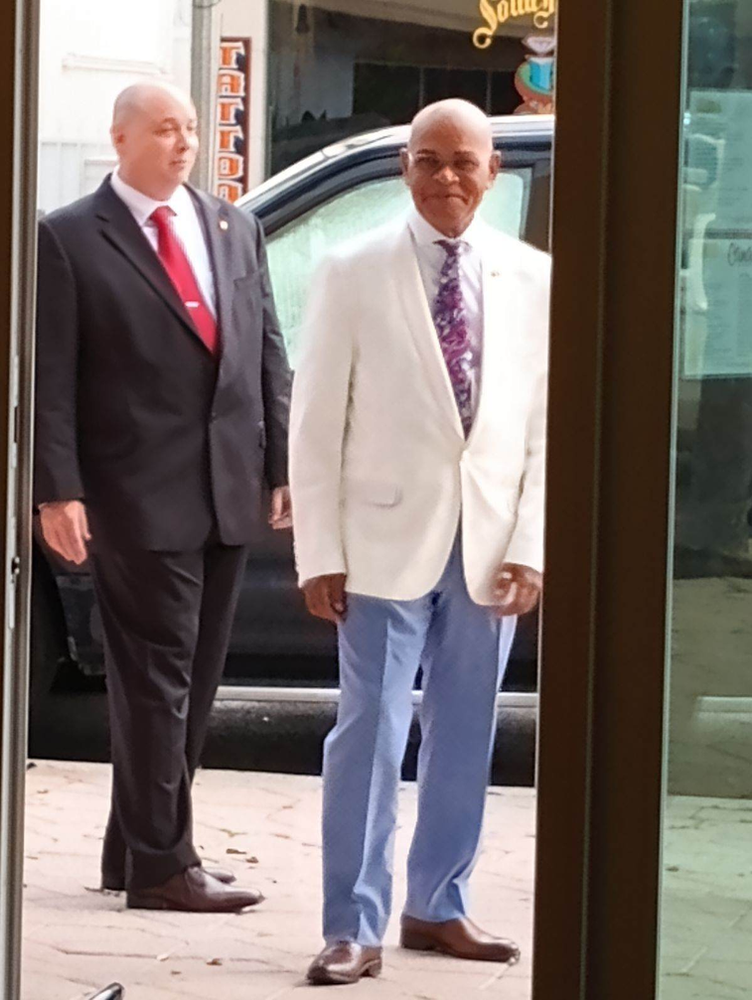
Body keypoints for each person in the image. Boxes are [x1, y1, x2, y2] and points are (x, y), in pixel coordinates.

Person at [290, 99, 550, 985]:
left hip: (488, 546)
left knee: (468, 730)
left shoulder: (532, 277)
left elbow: (545, 428)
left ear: (492, 172)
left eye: (464, 162)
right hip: (378, 538)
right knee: (369, 729)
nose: (446, 177)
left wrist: (534, 541)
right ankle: (350, 922)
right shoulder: (350, 269)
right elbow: (315, 420)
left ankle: (439, 904)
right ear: (405, 166)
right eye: (429, 159)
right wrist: (319, 549)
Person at [34, 81, 292, 912]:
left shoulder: (234, 225)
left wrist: (281, 467)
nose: (182, 145)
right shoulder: (70, 239)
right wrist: (57, 491)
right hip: (133, 496)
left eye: (190, 130)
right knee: (157, 681)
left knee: (198, 681)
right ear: (120, 138)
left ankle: (132, 846)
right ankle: (162, 867)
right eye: (164, 131)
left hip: (226, 490)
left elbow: (267, 354)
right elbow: (52, 380)